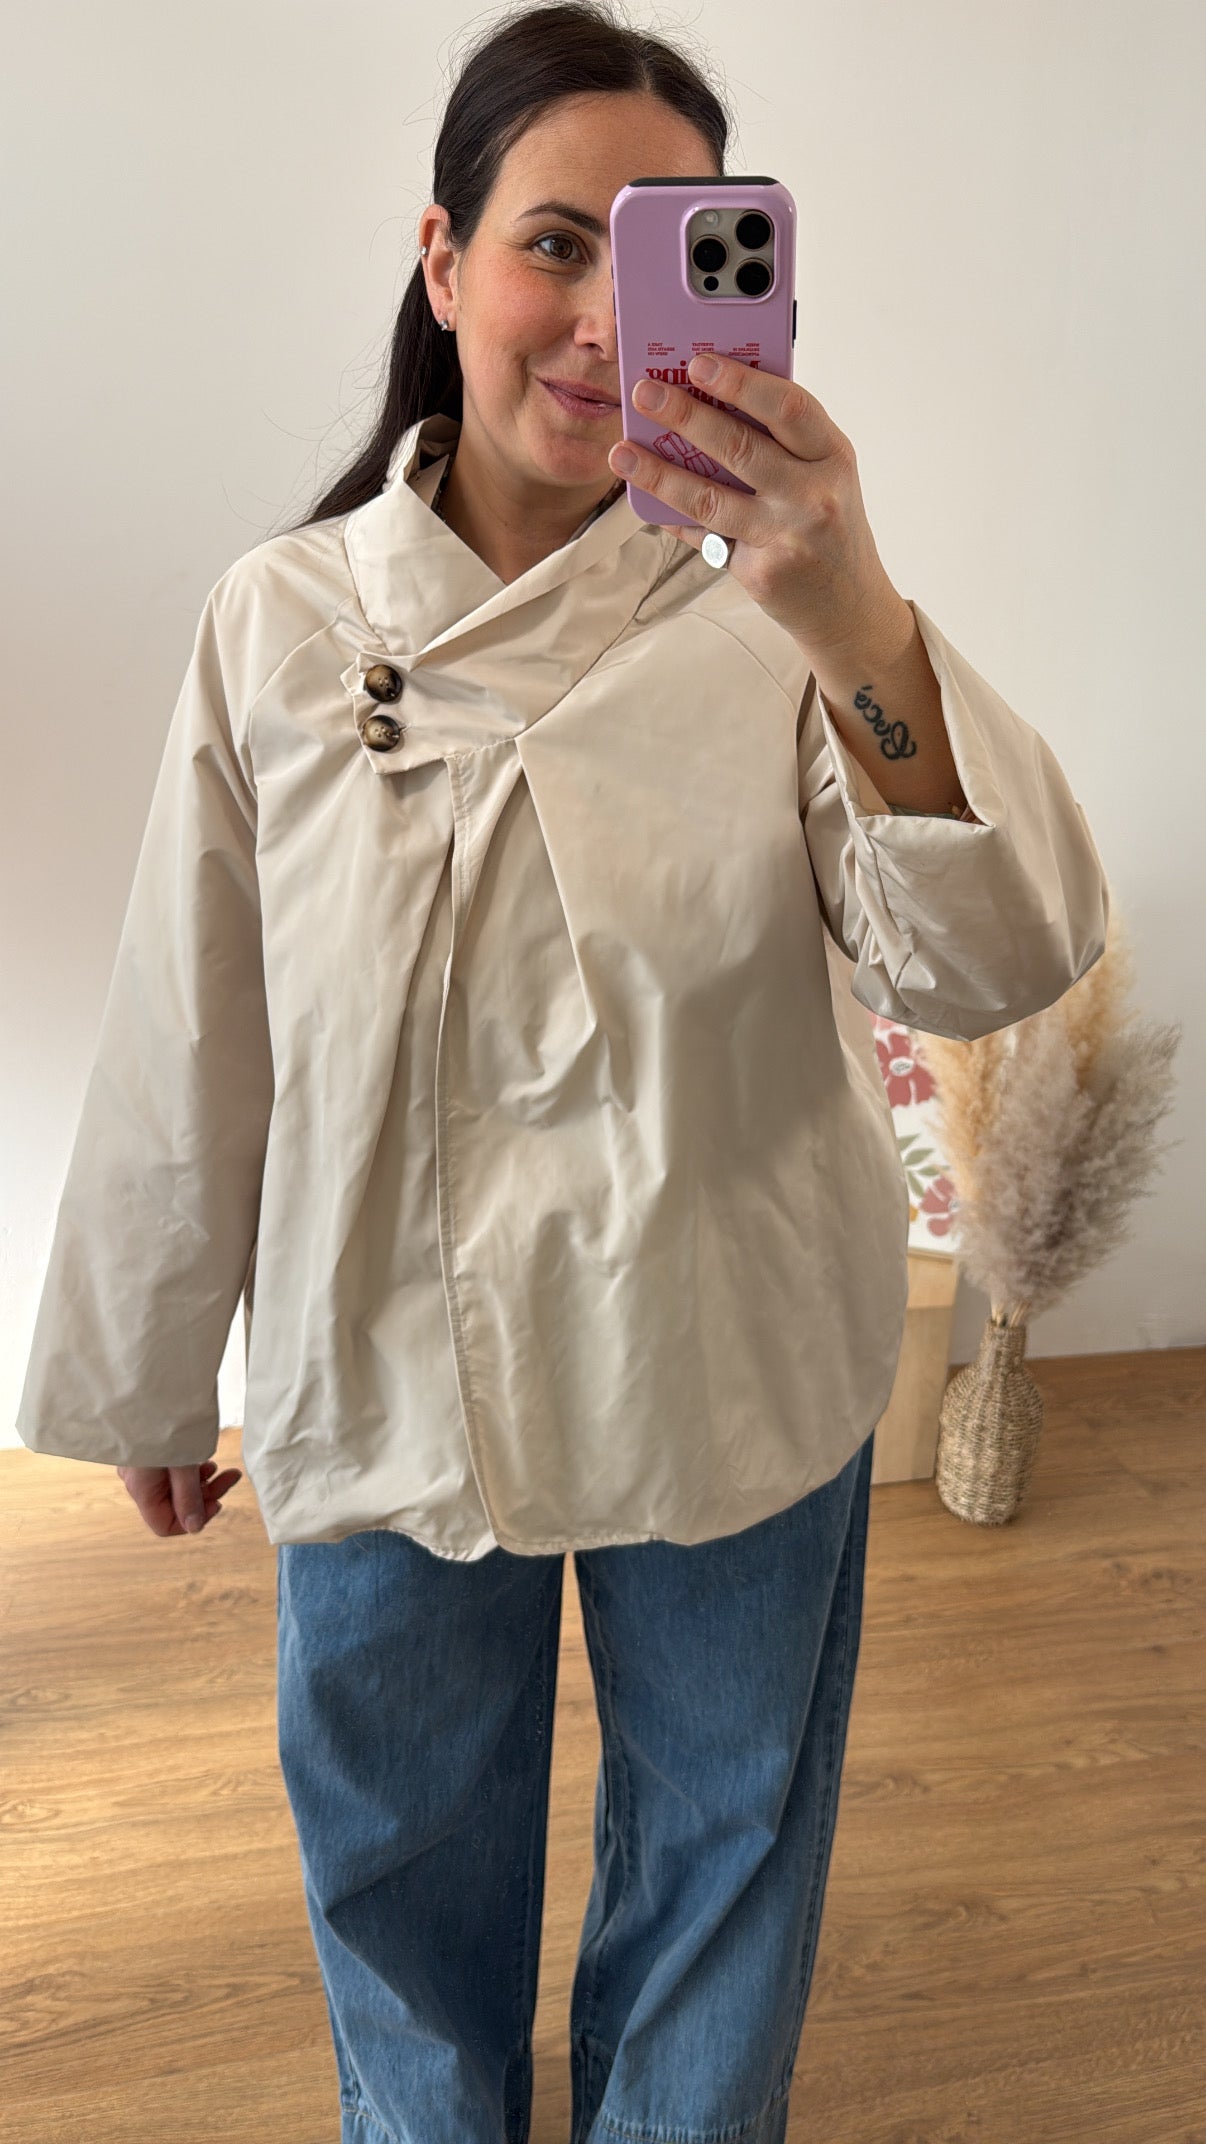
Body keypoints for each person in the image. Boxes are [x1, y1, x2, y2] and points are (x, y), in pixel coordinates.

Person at [16, 4, 1111, 2140]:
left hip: (727, 1354)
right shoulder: (283, 622)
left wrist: (855, 617)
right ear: (441, 263)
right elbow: (192, 1016)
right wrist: (148, 1367)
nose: (610, 322)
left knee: (728, 1848)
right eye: (552, 245)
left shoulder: (783, 618)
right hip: (386, 1358)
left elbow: (994, 959)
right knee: (396, 1861)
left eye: (671, 253)